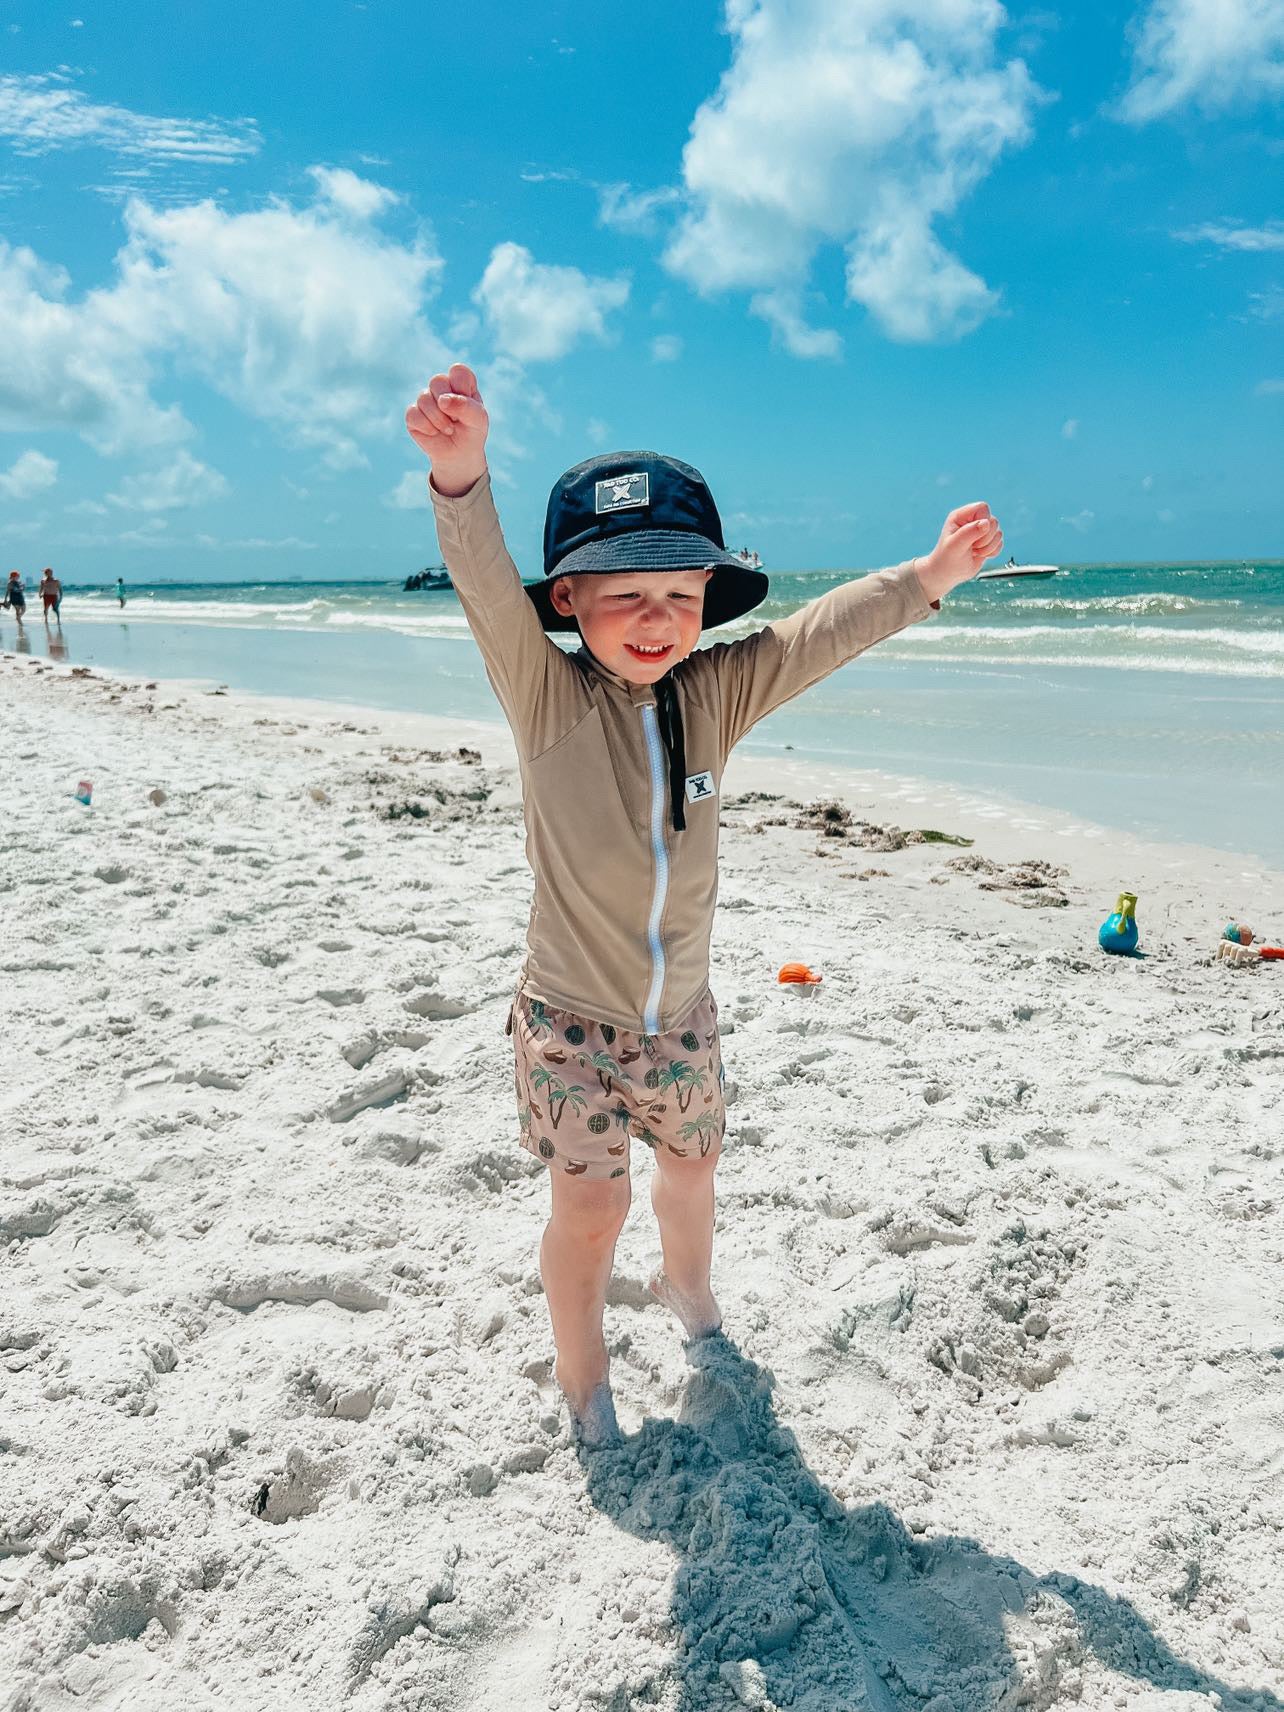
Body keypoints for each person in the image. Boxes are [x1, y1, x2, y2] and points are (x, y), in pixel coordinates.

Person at [405, 364, 1003, 1446]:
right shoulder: (546, 696)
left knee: (691, 1173)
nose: (657, 620)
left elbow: (814, 636)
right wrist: (461, 475)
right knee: (592, 1210)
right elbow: (487, 587)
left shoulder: (712, 693)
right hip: (570, 1026)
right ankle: (584, 1376)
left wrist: (925, 578)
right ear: (568, 600)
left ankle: (687, 1288)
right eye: (626, 595)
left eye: (681, 596)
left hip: (681, 1018)